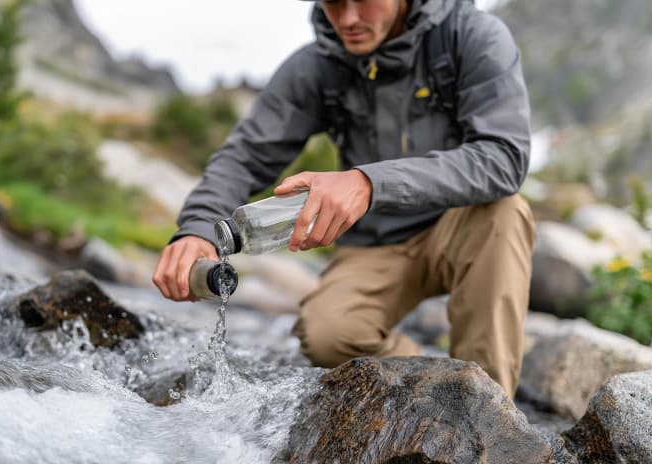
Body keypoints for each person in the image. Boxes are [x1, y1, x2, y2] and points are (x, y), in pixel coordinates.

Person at [152, 0, 534, 399]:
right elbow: (244, 156)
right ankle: (444, 383)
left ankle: (490, 408)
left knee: (506, 213)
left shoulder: (471, 38)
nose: (348, 19)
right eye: (334, 2)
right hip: (374, 243)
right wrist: (198, 229)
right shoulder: (318, 65)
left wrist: (369, 184)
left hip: (460, 226)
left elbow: (504, 157)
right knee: (326, 337)